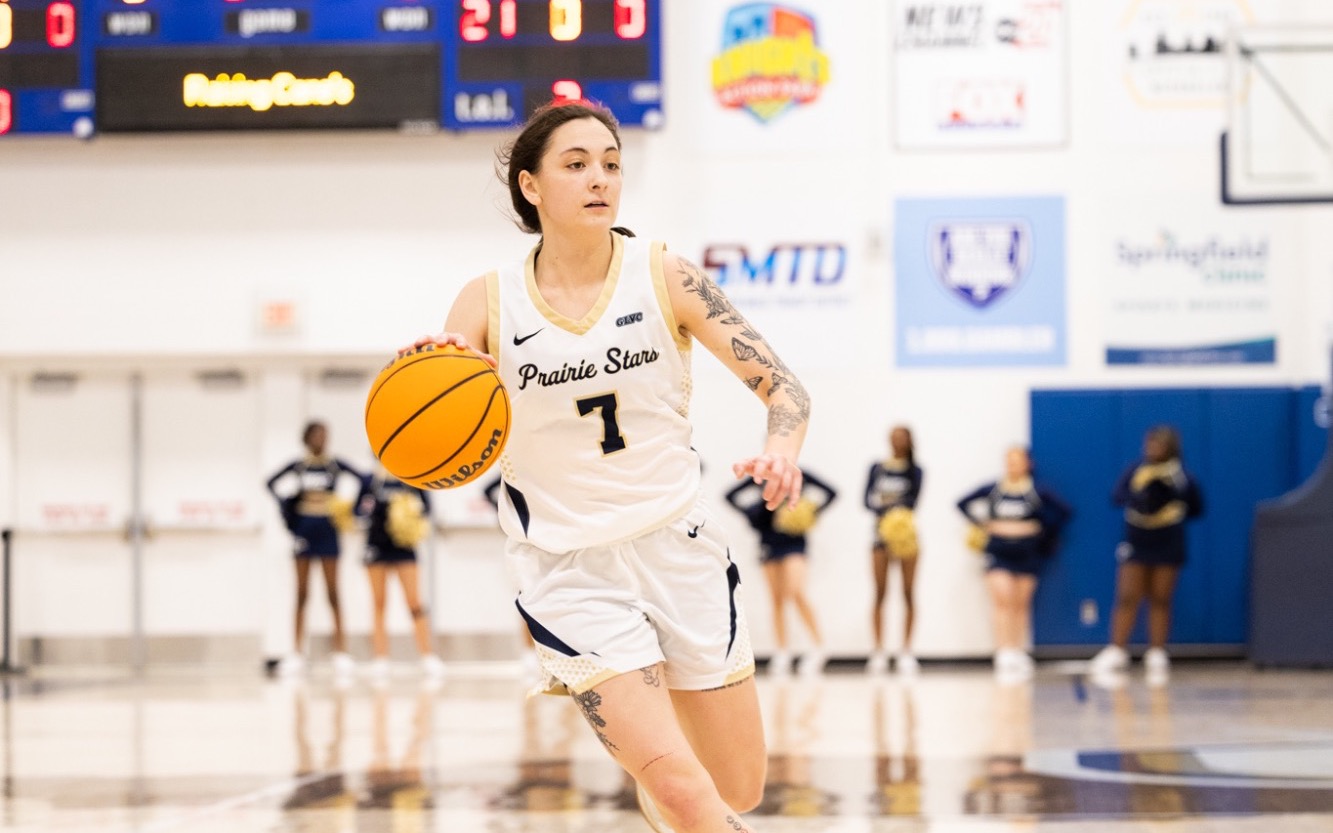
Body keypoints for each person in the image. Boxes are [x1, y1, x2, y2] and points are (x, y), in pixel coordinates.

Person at [402, 100, 809, 833]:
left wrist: (781, 448)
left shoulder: (665, 276)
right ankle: (669, 787)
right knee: (686, 790)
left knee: (735, 787)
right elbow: (444, 450)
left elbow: (784, 389)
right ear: (531, 186)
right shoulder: (487, 300)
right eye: (577, 163)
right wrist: (426, 383)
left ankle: (668, 791)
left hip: (678, 551)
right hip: (567, 570)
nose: (601, 179)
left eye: (612, 163)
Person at [1090, 426, 1204, 683]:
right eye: (1149, 443)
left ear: (1171, 447)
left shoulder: (1181, 475)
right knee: (1128, 595)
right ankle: (1117, 650)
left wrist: (1171, 494)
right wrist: (1140, 497)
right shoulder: (1136, 470)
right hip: (1137, 538)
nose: (1151, 449)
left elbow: (1196, 507)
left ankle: (1156, 652)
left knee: (1160, 597)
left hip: (1167, 539)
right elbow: (1117, 496)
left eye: (1158, 445)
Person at [957, 447, 1070, 681]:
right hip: (999, 552)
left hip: (1027, 554)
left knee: (1020, 604)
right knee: (1002, 600)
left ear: (1027, 464)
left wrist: (1040, 529)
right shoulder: (995, 489)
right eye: (1009, 461)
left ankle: (1018, 650)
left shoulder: (1036, 490)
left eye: (1017, 461)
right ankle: (1003, 651)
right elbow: (962, 502)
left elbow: (1064, 511)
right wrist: (982, 524)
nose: (1013, 466)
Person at [266, 421, 363, 677]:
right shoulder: (299, 466)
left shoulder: (334, 465)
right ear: (307, 438)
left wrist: (351, 510)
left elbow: (365, 480)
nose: (322, 439)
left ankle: (340, 652)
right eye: (317, 435)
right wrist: (287, 505)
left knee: (333, 592)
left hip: (328, 530)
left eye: (325, 435)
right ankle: (297, 652)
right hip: (305, 530)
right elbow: (270, 482)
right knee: (301, 593)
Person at [725, 468, 837, 677]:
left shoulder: (797, 474)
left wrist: (809, 511)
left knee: (796, 592)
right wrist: (751, 513)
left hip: (794, 542)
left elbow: (831, 492)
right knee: (776, 599)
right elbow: (729, 495)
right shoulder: (761, 477)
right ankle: (782, 651)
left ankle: (818, 647)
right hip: (768, 541)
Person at [354, 466, 447, 680]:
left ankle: (427, 656)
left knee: (415, 602)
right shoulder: (369, 480)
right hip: (376, 547)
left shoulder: (412, 475)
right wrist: (369, 509)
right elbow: (357, 511)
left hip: (404, 547)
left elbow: (426, 508)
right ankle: (380, 658)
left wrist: (408, 512)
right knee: (378, 603)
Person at [864, 425, 924, 675]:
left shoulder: (915, 471)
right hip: (880, 536)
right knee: (880, 592)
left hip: (906, 537)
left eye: (901, 438)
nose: (896, 441)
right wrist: (886, 511)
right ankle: (878, 651)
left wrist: (893, 509)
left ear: (909, 441)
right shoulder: (877, 468)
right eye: (893, 437)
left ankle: (906, 651)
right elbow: (866, 500)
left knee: (908, 592)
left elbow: (913, 501)